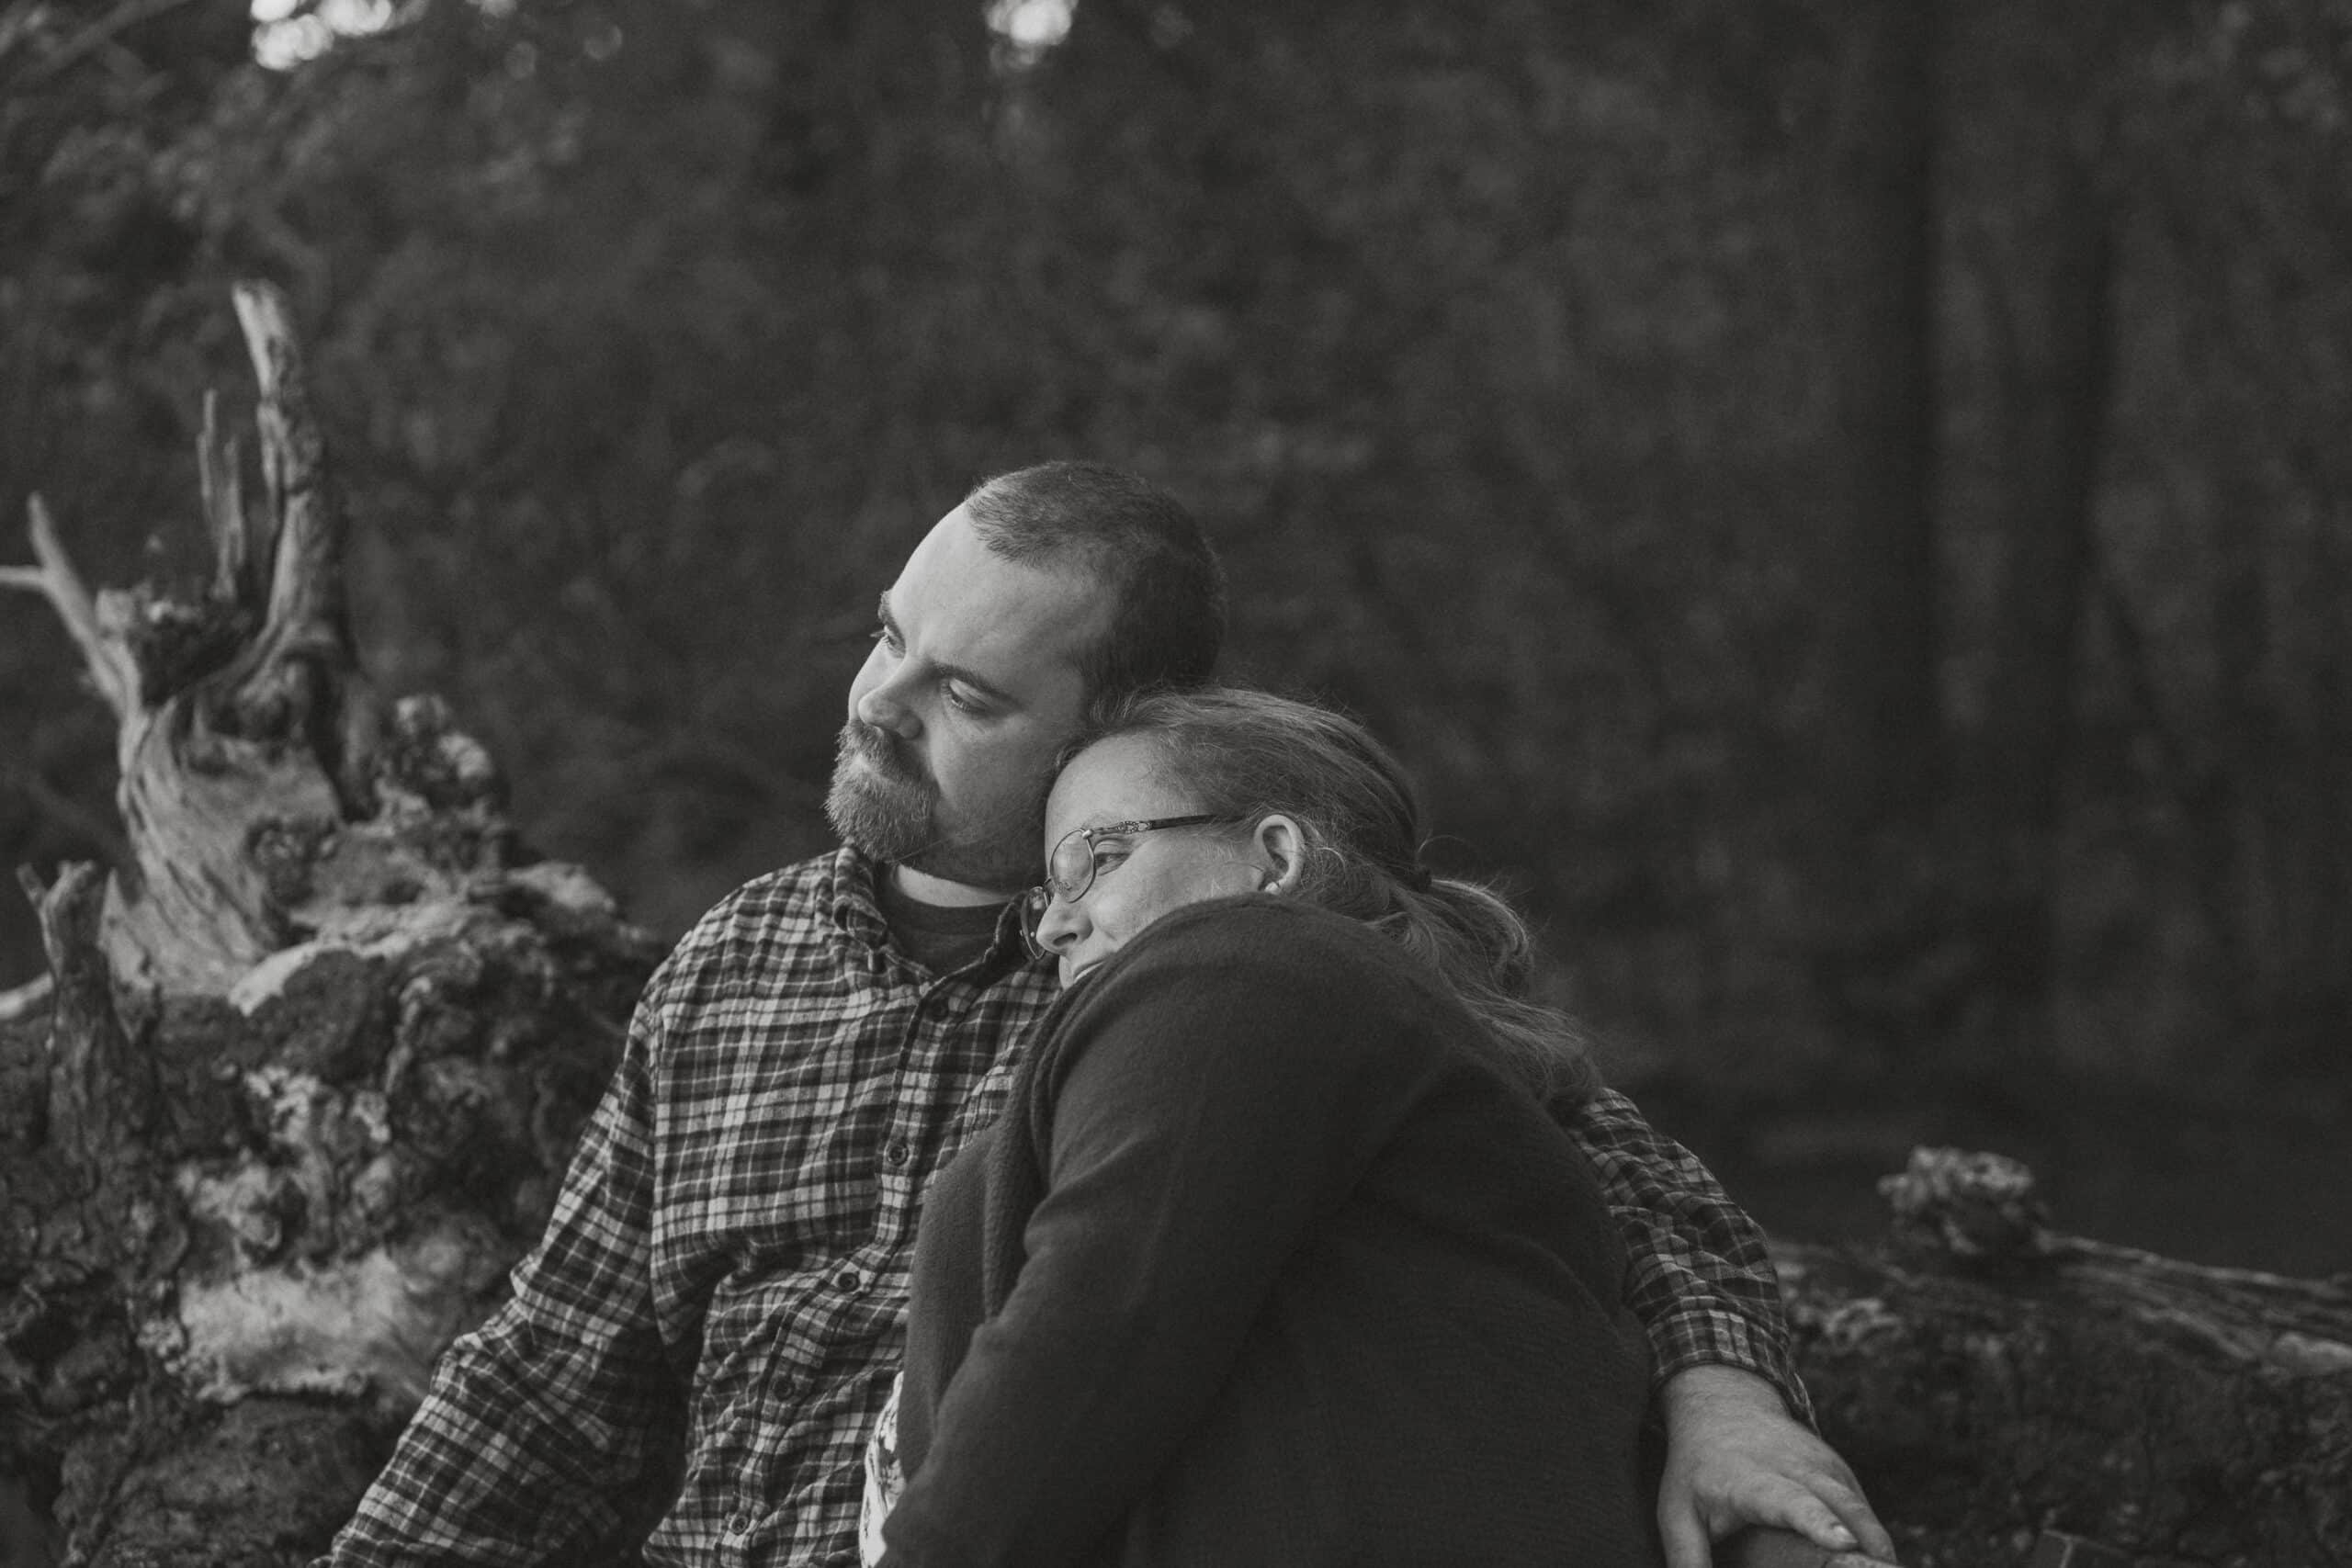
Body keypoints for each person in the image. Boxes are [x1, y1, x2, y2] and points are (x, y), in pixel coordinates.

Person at [318, 460, 1893, 1568]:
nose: (880, 700)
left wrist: (1727, 1398)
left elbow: (1628, 1189)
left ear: (1116, 729)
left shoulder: (1213, 966)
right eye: (890, 637)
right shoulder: (734, 965)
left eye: (970, 697)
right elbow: (556, 1370)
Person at [868, 687, 1662, 1566]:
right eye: (1044, 895)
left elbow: (1097, 1317)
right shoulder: (1354, 1061)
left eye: (1094, 858)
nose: (1053, 924)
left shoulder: (1259, 961)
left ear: (1274, 858)